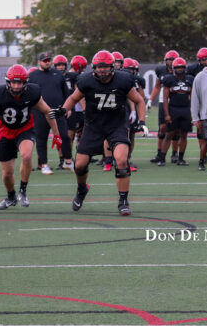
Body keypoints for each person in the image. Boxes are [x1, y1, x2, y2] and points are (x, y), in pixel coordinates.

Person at [58, 50, 148, 216]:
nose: (102, 70)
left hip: (117, 125)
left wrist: (141, 121)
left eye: (106, 67)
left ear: (112, 67)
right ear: (94, 67)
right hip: (94, 126)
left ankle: (123, 200)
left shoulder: (123, 79)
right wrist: (64, 110)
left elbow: (139, 100)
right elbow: (73, 98)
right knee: (79, 164)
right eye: (99, 67)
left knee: (121, 160)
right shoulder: (85, 80)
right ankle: (82, 189)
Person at [0, 64, 62, 210]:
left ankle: (23, 191)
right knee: (7, 173)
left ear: (26, 82)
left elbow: (48, 112)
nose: (16, 86)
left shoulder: (32, 92)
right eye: (14, 82)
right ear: (8, 82)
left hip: (25, 129)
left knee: (26, 155)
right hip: (5, 131)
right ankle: (11, 196)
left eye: (20, 82)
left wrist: (56, 134)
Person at [27, 52, 73, 174]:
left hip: (57, 111)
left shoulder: (58, 74)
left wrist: (68, 108)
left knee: (64, 136)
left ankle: (68, 161)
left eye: (48, 60)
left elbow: (66, 93)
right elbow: (28, 94)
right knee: (41, 138)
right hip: (39, 112)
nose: (47, 62)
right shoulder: (32, 76)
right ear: (39, 62)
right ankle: (44, 165)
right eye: (44, 60)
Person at [160, 57, 194, 166]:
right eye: (178, 67)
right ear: (174, 68)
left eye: (181, 67)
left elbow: (193, 98)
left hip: (185, 109)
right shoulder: (168, 79)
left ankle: (181, 158)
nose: (180, 69)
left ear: (185, 68)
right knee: (169, 134)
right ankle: (162, 158)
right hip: (173, 108)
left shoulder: (190, 79)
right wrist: (167, 114)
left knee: (184, 135)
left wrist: (193, 113)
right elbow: (165, 98)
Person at [148, 50, 179, 165]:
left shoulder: (181, 70)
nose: (171, 62)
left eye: (173, 60)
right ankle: (159, 153)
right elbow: (157, 86)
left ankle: (174, 154)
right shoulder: (161, 70)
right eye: (169, 60)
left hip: (176, 102)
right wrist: (150, 100)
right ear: (166, 61)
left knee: (176, 130)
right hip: (163, 101)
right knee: (162, 128)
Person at [187, 47, 207, 168]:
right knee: (202, 134)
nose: (205, 62)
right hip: (200, 103)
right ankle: (203, 157)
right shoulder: (194, 71)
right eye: (203, 60)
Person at [122, 58, 146, 171]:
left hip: (132, 111)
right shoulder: (119, 79)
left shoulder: (138, 80)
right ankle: (109, 159)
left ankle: (127, 157)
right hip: (122, 109)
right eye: (128, 69)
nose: (130, 71)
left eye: (132, 69)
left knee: (131, 135)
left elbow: (141, 98)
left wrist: (137, 112)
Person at [65, 55, 87, 149]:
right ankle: (75, 155)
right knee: (76, 134)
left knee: (76, 134)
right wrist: (84, 109)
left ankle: (74, 156)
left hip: (68, 107)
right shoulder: (75, 76)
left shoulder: (65, 75)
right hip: (75, 109)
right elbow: (80, 94)